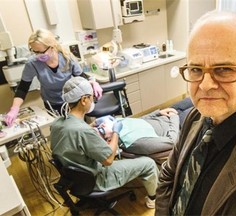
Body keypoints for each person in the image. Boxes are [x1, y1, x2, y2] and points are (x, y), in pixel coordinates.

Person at [155, 10, 236, 215]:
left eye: (224, 69)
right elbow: (168, 175)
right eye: (196, 69)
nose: (206, 85)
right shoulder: (196, 117)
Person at [50, 76, 159, 209]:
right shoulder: (83, 131)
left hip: (75, 180)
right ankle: (153, 199)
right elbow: (108, 160)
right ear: (84, 100)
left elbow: (75, 133)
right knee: (148, 163)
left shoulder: (57, 123)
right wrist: (116, 132)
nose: (93, 101)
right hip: (96, 179)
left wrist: (94, 124)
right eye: (91, 97)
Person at [5, 28, 102, 126]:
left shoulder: (67, 58)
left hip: (72, 102)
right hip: (52, 103)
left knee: (77, 128)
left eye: (41, 52)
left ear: (52, 47)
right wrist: (14, 108)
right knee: (60, 130)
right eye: (35, 52)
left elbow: (81, 78)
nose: (38, 55)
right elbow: (22, 88)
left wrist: (93, 82)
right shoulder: (32, 64)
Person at [93, 107, 180, 155]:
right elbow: (172, 141)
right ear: (109, 141)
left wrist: (158, 113)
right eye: (101, 130)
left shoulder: (118, 124)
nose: (102, 125)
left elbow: (140, 120)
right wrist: (174, 117)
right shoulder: (134, 142)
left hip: (165, 117)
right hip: (177, 127)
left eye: (97, 126)